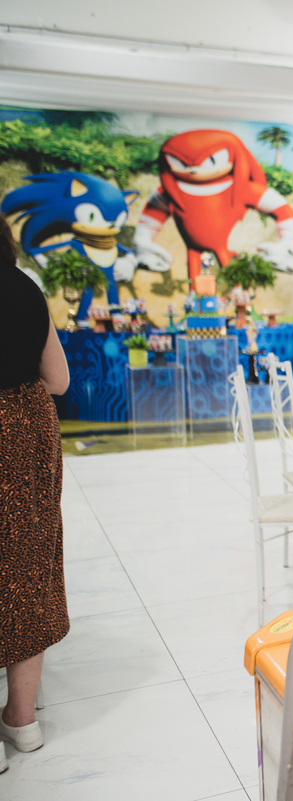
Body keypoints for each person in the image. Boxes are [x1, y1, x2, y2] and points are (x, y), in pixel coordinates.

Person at [0, 216, 70, 774]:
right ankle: (23, 721)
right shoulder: (25, 288)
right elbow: (59, 380)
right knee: (26, 566)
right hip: (25, 431)